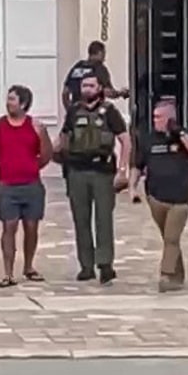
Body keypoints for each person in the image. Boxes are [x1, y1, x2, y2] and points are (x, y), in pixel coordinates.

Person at [55, 73, 131, 285]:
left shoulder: (110, 112)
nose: (87, 89)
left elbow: (126, 140)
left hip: (103, 171)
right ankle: (86, 266)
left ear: (99, 88)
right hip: (77, 171)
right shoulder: (73, 111)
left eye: (91, 85)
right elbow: (63, 138)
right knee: (81, 219)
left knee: (103, 219)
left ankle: (105, 264)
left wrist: (123, 169)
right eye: (84, 86)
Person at [129, 100, 188, 292]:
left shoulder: (184, 136)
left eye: (159, 117)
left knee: (171, 237)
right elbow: (137, 166)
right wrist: (132, 188)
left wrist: (179, 133)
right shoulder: (148, 139)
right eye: (154, 117)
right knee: (169, 238)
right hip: (156, 197)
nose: (155, 120)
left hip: (180, 198)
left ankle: (166, 275)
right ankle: (178, 275)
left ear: (170, 118)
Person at [0, 85, 52, 288]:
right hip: (7, 185)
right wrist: (2, 164)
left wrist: (32, 166)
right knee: (9, 227)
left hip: (31, 184)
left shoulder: (36, 126)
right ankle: (7, 272)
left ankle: (29, 266)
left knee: (31, 227)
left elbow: (47, 153)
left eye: (13, 99)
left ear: (23, 103)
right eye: (8, 99)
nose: (8, 103)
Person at [60, 40, 130, 194]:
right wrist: (121, 93)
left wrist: (71, 111)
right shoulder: (99, 69)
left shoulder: (77, 67)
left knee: (70, 147)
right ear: (100, 53)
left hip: (76, 116)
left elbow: (65, 92)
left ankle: (72, 182)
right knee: (95, 145)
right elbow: (107, 92)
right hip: (95, 118)